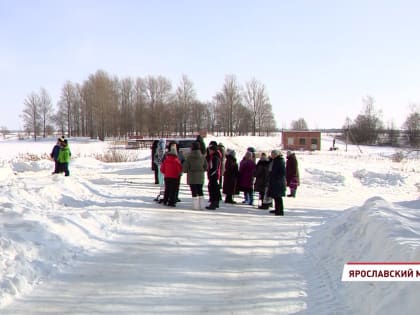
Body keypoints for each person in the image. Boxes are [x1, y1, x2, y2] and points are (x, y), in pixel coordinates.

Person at [183, 141, 208, 210]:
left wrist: (186, 171)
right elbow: (206, 166)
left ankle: (195, 206)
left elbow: (185, 167)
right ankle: (202, 205)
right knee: (200, 190)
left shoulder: (189, 157)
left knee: (194, 191)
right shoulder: (202, 156)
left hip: (192, 176)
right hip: (200, 176)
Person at [268, 150, 286, 216]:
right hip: (274, 181)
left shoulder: (280, 161)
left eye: (273, 154)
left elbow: (282, 172)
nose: (272, 155)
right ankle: (277, 209)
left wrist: (276, 177)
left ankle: (280, 211)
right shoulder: (274, 161)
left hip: (278, 182)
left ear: (276, 155)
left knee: (278, 197)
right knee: (275, 196)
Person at [206, 144, 221, 210]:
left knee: (213, 189)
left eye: (210, 150)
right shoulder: (213, 157)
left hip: (213, 176)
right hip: (213, 175)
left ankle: (213, 203)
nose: (209, 151)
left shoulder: (215, 157)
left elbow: (215, 168)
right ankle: (215, 202)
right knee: (214, 189)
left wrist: (211, 174)